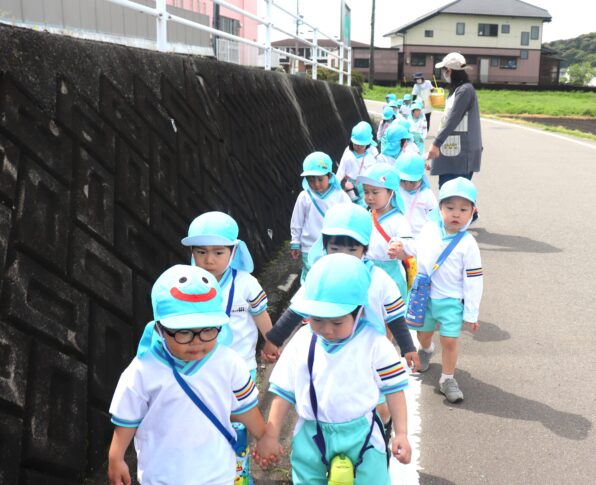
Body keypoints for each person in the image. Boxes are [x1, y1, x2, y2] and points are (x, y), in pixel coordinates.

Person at [255, 254, 412, 484]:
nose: (327, 329)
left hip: (363, 435)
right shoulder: (302, 341)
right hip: (311, 434)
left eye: (337, 322)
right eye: (317, 320)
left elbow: (394, 389)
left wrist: (402, 433)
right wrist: (271, 434)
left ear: (359, 311)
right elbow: (283, 391)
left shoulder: (375, 344)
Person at [108, 265, 266, 485]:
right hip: (162, 476)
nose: (197, 341)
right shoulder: (143, 370)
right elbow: (128, 418)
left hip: (218, 474)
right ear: (159, 329)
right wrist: (116, 457)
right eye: (184, 332)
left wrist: (264, 437)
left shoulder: (229, 362)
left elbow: (245, 408)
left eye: (208, 330)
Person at [264, 203, 419, 371]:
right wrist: (274, 340)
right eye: (335, 248)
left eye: (352, 250)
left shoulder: (378, 279)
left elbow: (395, 316)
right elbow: (297, 310)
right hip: (327, 354)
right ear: (324, 246)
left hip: (369, 355)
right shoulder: (320, 275)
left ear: (365, 249)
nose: (344, 255)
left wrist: (407, 347)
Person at [410, 178, 483, 403]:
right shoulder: (429, 229)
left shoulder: (468, 243)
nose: (456, 214)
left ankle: (447, 379)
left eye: (463, 209)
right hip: (426, 297)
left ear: (472, 212)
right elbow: (416, 248)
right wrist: (401, 249)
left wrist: (471, 312)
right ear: (440, 208)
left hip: (451, 301)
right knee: (423, 334)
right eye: (450, 207)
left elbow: (474, 280)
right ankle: (426, 349)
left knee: (450, 340)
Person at [181, 211, 279, 374]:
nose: (209, 260)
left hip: (242, 366)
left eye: (218, 252)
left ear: (233, 252)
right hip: (200, 369)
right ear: (192, 251)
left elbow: (260, 314)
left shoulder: (246, 283)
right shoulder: (185, 284)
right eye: (201, 252)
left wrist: (272, 342)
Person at [290, 152, 351, 282]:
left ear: (329, 176)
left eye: (320, 179)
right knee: (312, 277)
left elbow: (349, 217)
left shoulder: (340, 195)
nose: (316, 184)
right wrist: (295, 242)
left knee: (332, 276)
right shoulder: (304, 196)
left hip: (334, 245)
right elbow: (297, 221)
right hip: (309, 246)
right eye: (311, 180)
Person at [358, 163, 415, 302]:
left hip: (391, 273)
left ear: (391, 192)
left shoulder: (398, 220)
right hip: (367, 270)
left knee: (392, 309)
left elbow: (410, 244)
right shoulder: (366, 215)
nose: (369, 197)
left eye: (375, 192)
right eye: (366, 192)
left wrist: (400, 247)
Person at [427, 53, 483, 192]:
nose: (443, 73)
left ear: (449, 70)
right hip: (453, 149)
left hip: (462, 152)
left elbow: (453, 118)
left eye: (443, 70)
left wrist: (436, 143)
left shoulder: (465, 90)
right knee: (448, 192)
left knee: (455, 194)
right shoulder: (457, 90)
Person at [336, 121, 378, 207]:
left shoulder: (372, 150)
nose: (359, 147)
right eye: (356, 144)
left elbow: (378, 165)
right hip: (355, 186)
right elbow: (340, 172)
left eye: (362, 145)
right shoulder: (348, 155)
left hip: (370, 183)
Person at [395, 153, 437, 237]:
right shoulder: (395, 191)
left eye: (412, 182)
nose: (407, 185)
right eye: (403, 180)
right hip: (398, 235)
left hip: (420, 237)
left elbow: (435, 217)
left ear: (421, 178)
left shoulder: (427, 194)